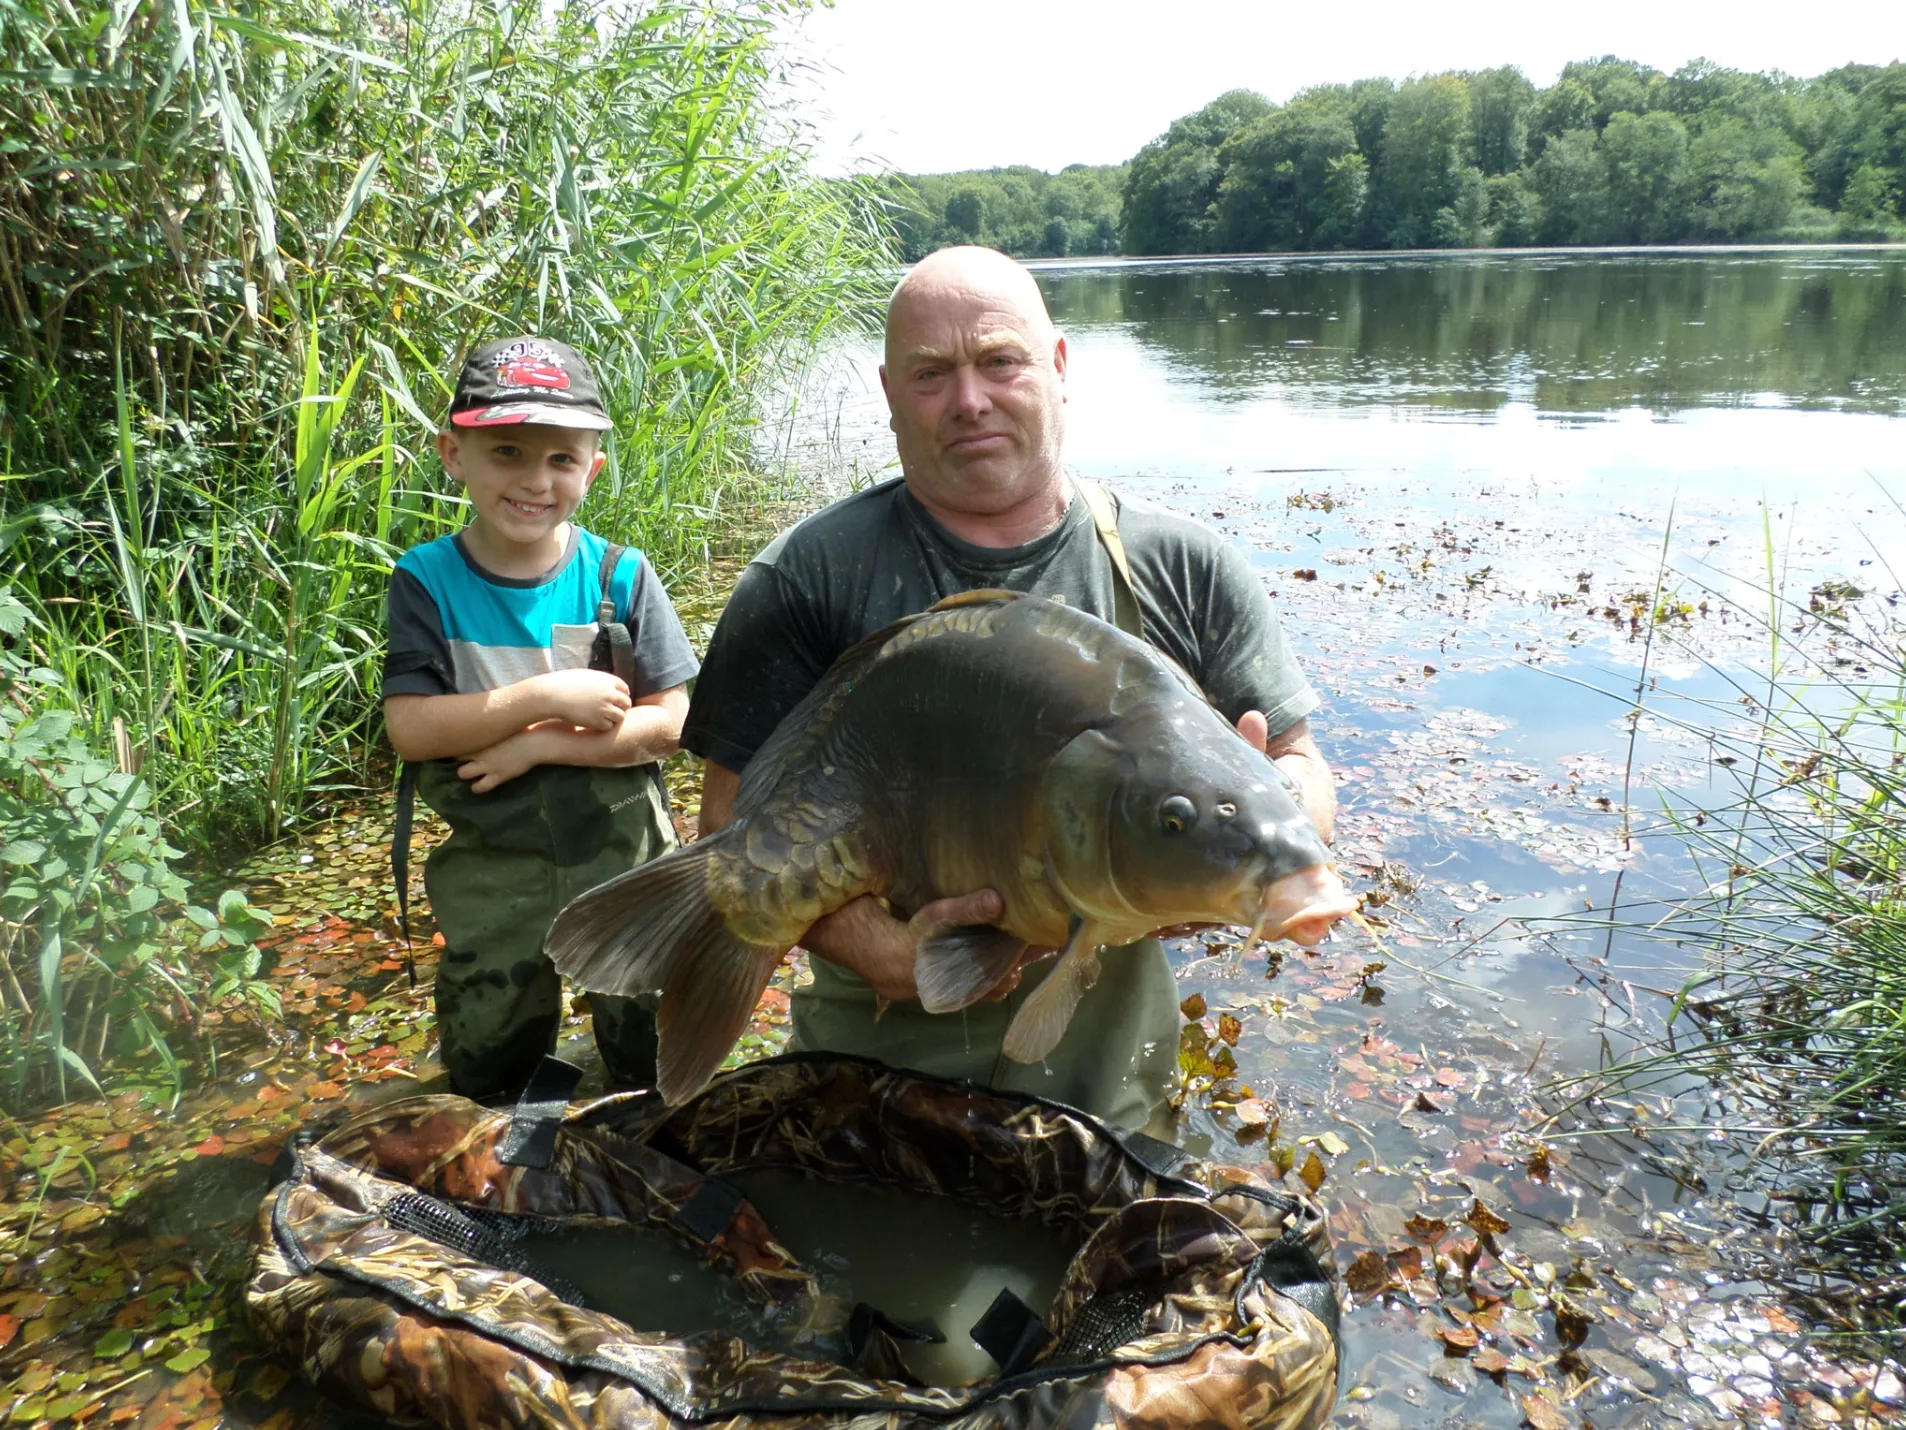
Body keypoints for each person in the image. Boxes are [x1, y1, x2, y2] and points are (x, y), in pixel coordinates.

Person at [683, 247, 1335, 1130]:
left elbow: (1299, 761)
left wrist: (1265, 823)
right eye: (931, 374)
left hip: (1108, 1075)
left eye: (1000, 361)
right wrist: (872, 949)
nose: (969, 400)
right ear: (887, 391)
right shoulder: (808, 578)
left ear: (1059, 367)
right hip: (874, 1072)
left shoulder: (1183, 566)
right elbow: (730, 823)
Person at [382, 337, 699, 1101]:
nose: (534, 479)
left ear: (591, 469)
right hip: (495, 869)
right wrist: (547, 697)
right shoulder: (425, 579)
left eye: (562, 459)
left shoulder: (619, 575)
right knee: (491, 1069)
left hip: (623, 859)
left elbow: (672, 723)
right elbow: (412, 729)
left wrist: (541, 748)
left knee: (652, 1054)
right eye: (509, 452)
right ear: (453, 454)